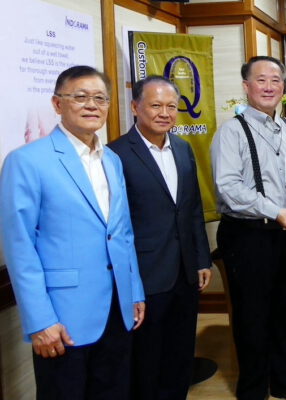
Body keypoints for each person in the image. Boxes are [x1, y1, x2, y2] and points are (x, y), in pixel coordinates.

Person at [0, 65, 145, 399]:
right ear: (57, 104)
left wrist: (134, 291)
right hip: (63, 317)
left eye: (100, 98)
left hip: (117, 308)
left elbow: (122, 234)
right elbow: (20, 247)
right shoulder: (27, 161)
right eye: (80, 97)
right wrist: (39, 321)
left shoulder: (112, 160)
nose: (92, 105)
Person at [210, 56, 286, 400]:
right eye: (261, 80)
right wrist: (274, 211)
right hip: (249, 236)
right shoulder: (231, 131)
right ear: (246, 86)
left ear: (283, 86)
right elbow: (228, 187)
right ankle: (253, 389)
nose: (269, 86)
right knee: (252, 316)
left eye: (276, 80)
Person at [108, 75, 212, 400]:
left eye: (171, 106)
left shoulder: (182, 148)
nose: (164, 113)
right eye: (155, 105)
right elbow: (115, 225)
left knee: (180, 356)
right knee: (147, 359)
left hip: (185, 272)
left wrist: (202, 258)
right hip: (145, 275)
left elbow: (192, 208)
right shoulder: (116, 154)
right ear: (135, 107)